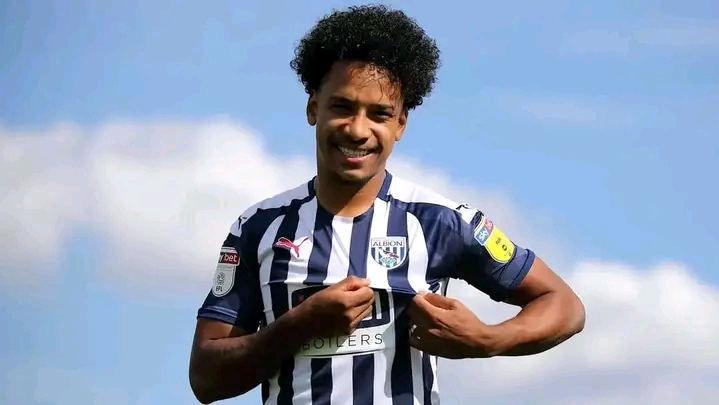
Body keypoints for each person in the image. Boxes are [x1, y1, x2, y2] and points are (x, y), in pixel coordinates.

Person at [188, 4, 586, 405]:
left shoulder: (439, 221)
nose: (358, 130)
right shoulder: (258, 227)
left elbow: (564, 306)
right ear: (313, 107)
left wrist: (487, 339)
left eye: (379, 114)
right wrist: (300, 324)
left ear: (400, 125)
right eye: (342, 107)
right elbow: (206, 379)